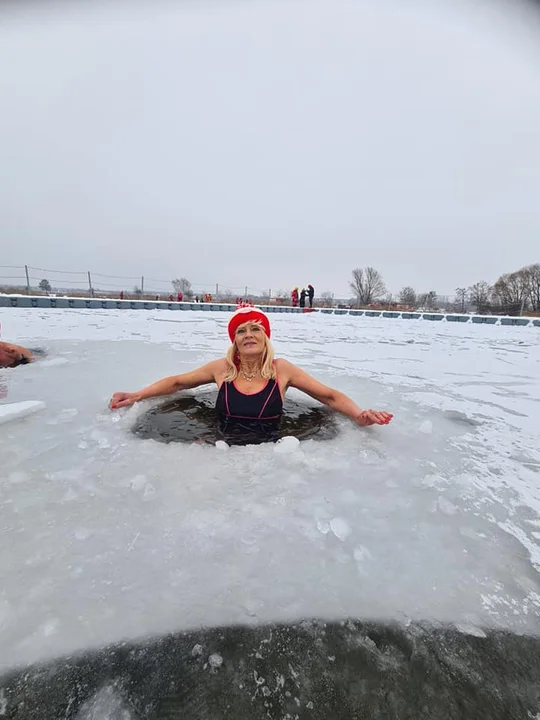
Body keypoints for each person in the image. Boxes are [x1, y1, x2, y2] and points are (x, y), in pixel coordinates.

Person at [109, 306, 393, 444]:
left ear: (265, 337)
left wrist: (358, 415)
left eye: (255, 328)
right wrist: (137, 395)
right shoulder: (222, 369)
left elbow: (329, 396)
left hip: (270, 448)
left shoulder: (281, 370)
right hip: (219, 442)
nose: (248, 335)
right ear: (234, 341)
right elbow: (177, 382)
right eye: (241, 331)